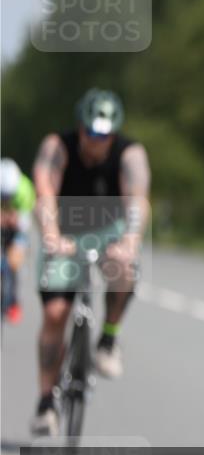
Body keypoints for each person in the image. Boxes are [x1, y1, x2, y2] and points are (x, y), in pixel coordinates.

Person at [30, 88, 151, 436]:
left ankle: (109, 338)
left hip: (110, 234)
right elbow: (44, 192)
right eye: (90, 132)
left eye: (104, 135)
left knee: (125, 270)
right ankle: (45, 402)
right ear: (79, 126)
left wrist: (129, 241)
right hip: (65, 234)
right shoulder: (58, 147)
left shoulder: (130, 154)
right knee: (55, 314)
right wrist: (52, 235)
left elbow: (137, 201)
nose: (96, 140)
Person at [1, 158, 36, 324]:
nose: (6, 199)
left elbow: (25, 223)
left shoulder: (24, 189)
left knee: (14, 262)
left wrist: (14, 220)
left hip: (17, 228)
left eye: (9, 196)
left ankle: (14, 301)